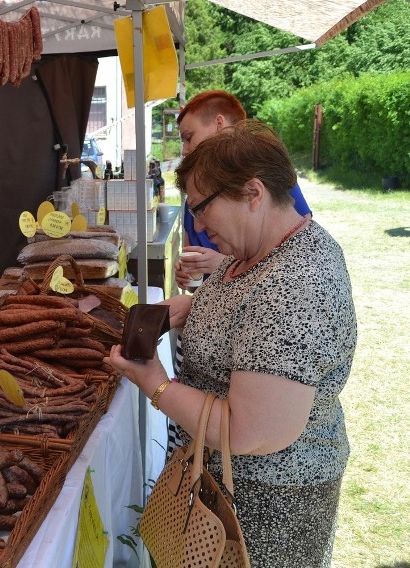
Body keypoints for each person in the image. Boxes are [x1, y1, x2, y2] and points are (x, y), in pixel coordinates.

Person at [105, 120, 356, 567]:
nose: (196, 222)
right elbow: (242, 314)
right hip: (217, 487)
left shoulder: (295, 285)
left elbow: (249, 431)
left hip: (263, 510)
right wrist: (193, 307)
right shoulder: (256, 250)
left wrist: (155, 384)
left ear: (253, 193)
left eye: (202, 207)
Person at [174, 90, 312, 289]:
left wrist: (224, 266)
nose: (185, 150)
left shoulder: (269, 174)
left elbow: (296, 253)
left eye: (189, 137)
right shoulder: (196, 199)